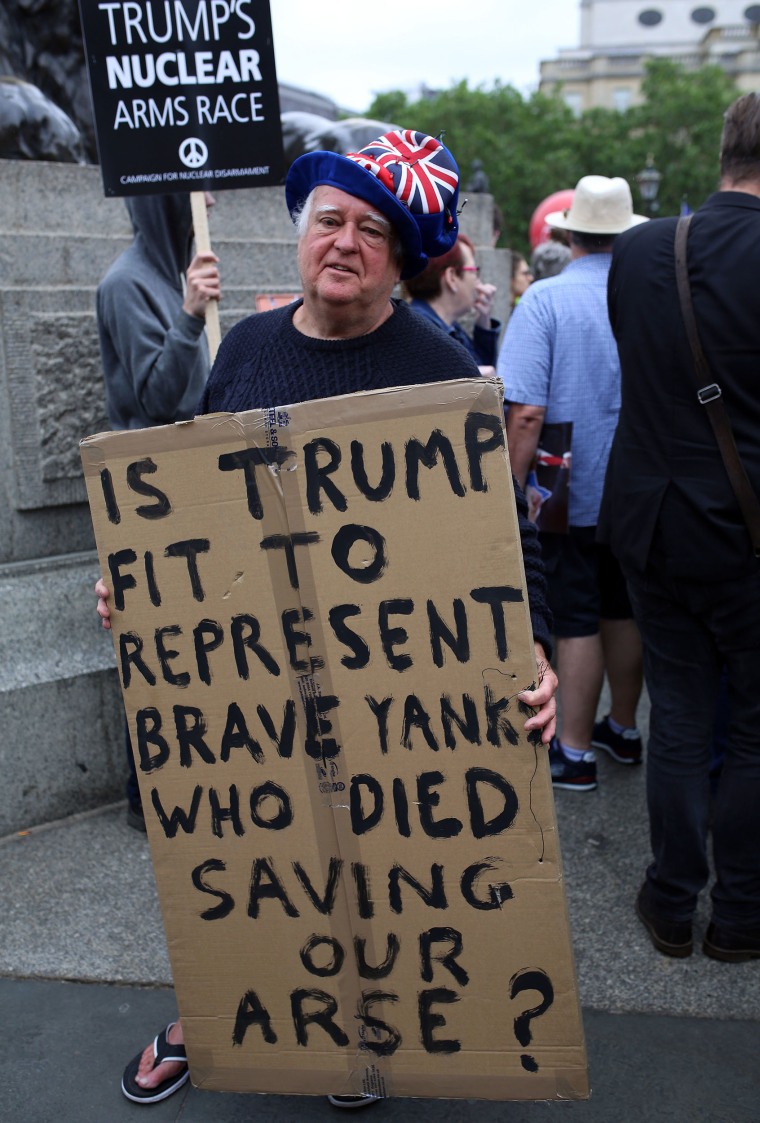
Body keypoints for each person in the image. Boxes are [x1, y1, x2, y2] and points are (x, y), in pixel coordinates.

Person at [95, 128, 559, 1108]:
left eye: (372, 230)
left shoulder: (438, 369)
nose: (345, 242)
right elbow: (198, 507)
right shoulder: (250, 347)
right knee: (249, 853)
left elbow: (491, 541)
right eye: (329, 220)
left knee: (375, 853)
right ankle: (214, 1015)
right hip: (259, 678)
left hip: (385, 684)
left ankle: (360, 1026)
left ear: (401, 257)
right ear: (302, 232)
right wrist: (139, 586)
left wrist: (532, 650)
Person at [598, 93, 760, 963]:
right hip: (747, 530)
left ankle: (669, 900)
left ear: (726, 152)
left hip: (651, 520)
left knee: (682, 711)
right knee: (754, 726)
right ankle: (739, 914)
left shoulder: (641, 247)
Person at [498, 175, 648, 793]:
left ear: (567, 234)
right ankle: (622, 727)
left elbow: (526, 412)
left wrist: (506, 494)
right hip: (640, 483)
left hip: (567, 489)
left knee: (577, 616)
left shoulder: (546, 301)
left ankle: (577, 753)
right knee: (624, 608)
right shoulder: (649, 294)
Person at [96, 191, 221, 831]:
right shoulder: (127, 285)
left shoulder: (166, 277)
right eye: (199, 201)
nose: (212, 209)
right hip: (149, 493)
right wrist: (192, 315)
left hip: (180, 483)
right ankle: (148, 794)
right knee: (154, 640)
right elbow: (157, 395)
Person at [402, 232, 500, 371]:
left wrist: (483, 324)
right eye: (473, 271)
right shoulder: (421, 334)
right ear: (451, 277)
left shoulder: (446, 327)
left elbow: (485, 368)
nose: (478, 281)